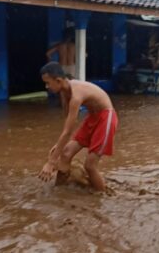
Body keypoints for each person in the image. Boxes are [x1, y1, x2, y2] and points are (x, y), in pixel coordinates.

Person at [37, 62, 118, 191]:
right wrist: (60, 146)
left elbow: (68, 131)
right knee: (65, 153)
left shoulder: (76, 95)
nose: (47, 87)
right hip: (92, 117)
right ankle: (59, 191)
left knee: (90, 166)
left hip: (106, 118)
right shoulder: (64, 93)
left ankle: (101, 197)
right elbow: (67, 123)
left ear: (58, 80)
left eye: (48, 83)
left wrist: (51, 162)